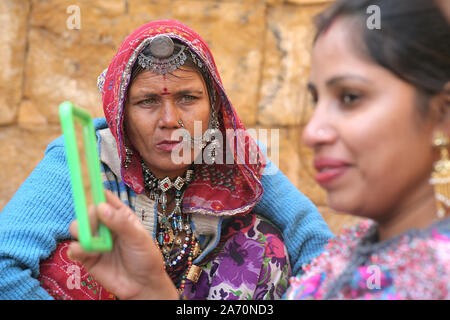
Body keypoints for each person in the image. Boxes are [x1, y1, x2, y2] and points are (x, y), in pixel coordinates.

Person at [67, 0, 449, 300]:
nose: (312, 132)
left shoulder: (432, 276)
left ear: (441, 114)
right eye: (316, 100)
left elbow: (302, 224)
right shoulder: (345, 258)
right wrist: (151, 290)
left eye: (350, 97)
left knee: (261, 244)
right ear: (120, 115)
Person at [0, 19, 333, 300]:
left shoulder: (236, 157)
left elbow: (319, 247)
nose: (170, 120)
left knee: (262, 244)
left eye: (188, 97)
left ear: (214, 107)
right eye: (146, 101)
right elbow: (4, 262)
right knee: (67, 264)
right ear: (120, 116)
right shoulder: (84, 157)